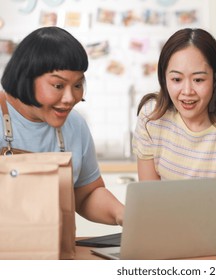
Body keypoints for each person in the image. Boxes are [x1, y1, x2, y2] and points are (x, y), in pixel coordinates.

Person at [132, 28, 216, 231]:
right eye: (176, 79)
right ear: (164, 79)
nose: (187, 91)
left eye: (199, 80)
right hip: (162, 237)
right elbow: (151, 198)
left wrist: (189, 225)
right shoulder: (151, 118)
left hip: (213, 244)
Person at [0, 26, 124, 226]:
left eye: (77, 85)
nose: (70, 98)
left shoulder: (75, 125)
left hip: (54, 251)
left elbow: (86, 194)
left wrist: (123, 215)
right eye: (58, 86)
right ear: (26, 78)